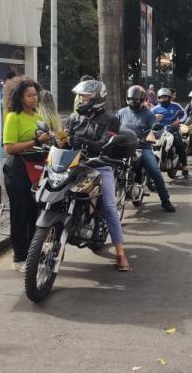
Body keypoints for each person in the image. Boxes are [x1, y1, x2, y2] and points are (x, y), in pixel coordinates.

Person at [60, 79, 131, 271]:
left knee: (108, 206)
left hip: (100, 166)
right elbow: (66, 142)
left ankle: (120, 252)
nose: (80, 100)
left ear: (96, 99)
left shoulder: (111, 119)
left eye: (84, 97)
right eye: (79, 96)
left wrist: (77, 139)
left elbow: (104, 144)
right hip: (74, 165)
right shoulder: (74, 118)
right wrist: (57, 140)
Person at [2, 77, 48, 272]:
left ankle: (32, 252)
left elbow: (42, 140)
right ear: (20, 98)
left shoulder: (38, 117)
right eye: (29, 95)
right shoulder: (14, 117)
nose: (34, 98)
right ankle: (19, 257)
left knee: (33, 213)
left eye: (35, 95)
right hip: (18, 170)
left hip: (36, 169)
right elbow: (10, 147)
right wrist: (34, 142)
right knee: (20, 215)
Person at [116, 85, 177, 212]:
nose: (133, 101)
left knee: (155, 172)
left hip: (142, 147)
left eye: (136, 99)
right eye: (130, 99)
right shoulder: (121, 113)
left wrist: (153, 133)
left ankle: (165, 200)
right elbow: (112, 126)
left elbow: (156, 127)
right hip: (123, 147)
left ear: (142, 99)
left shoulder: (148, 114)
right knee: (109, 169)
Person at [151, 88, 190, 179]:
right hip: (159, 131)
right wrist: (154, 117)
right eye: (161, 97)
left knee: (179, 144)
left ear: (169, 97)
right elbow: (148, 119)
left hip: (173, 129)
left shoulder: (175, 105)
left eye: (165, 97)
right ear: (158, 98)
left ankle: (184, 167)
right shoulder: (154, 109)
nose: (163, 99)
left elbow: (184, 114)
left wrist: (179, 121)